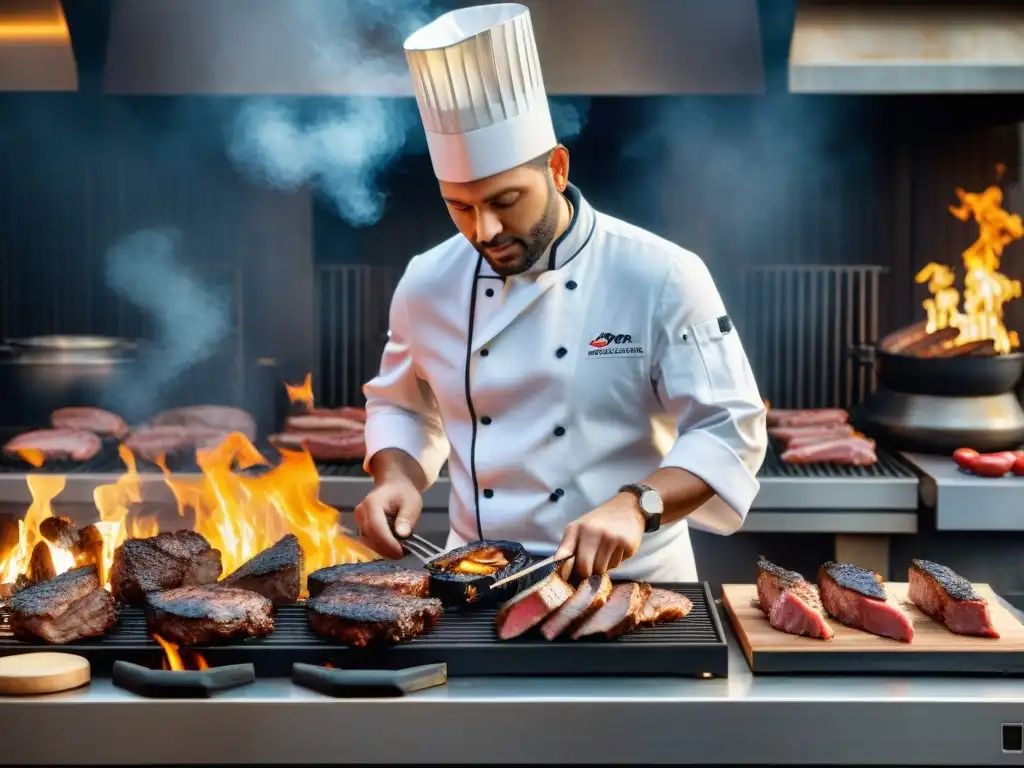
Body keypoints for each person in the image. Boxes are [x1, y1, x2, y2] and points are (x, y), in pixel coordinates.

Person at [354, 3, 767, 583]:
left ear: (556, 166)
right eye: (460, 207)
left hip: (632, 589)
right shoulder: (427, 281)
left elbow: (729, 427)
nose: (485, 231)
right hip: (474, 586)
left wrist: (638, 504)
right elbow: (400, 404)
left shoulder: (662, 274)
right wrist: (396, 476)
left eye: (504, 201)